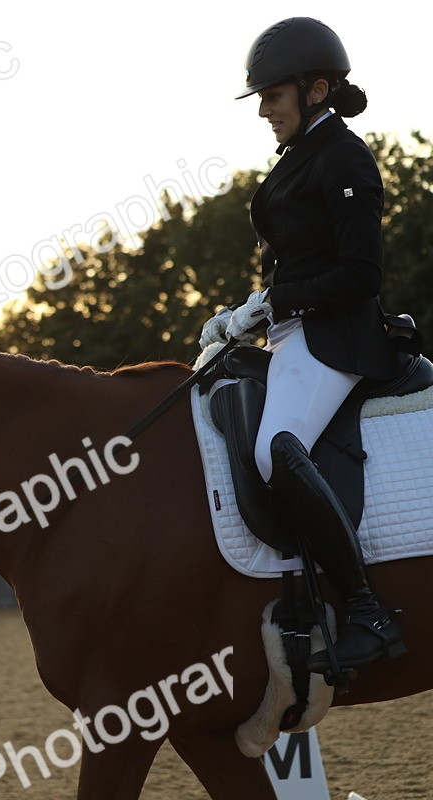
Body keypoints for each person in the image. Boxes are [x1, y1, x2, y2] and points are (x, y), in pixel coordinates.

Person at [199, 17, 406, 678]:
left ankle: (369, 612)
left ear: (316, 90)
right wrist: (245, 314)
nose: (263, 109)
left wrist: (275, 305)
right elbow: (297, 266)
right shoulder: (303, 157)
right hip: (292, 333)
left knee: (273, 449)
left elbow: (361, 274)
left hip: (337, 339)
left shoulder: (344, 156)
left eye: (273, 96)